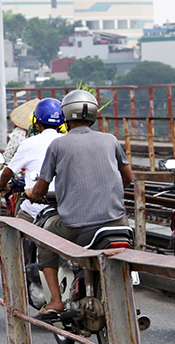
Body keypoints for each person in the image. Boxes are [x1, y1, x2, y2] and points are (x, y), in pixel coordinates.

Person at [29, 89, 133, 318]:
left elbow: (41, 188)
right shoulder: (111, 140)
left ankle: (55, 301)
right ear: (94, 115)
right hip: (116, 221)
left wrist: (32, 193)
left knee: (44, 238)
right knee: (130, 241)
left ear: (66, 115)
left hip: (75, 224)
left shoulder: (58, 145)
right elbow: (127, 178)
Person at [0, 98, 65, 221]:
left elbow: (8, 171)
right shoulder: (67, 141)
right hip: (63, 208)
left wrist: (2, 185)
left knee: (15, 230)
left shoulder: (29, 143)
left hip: (35, 209)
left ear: (36, 122)